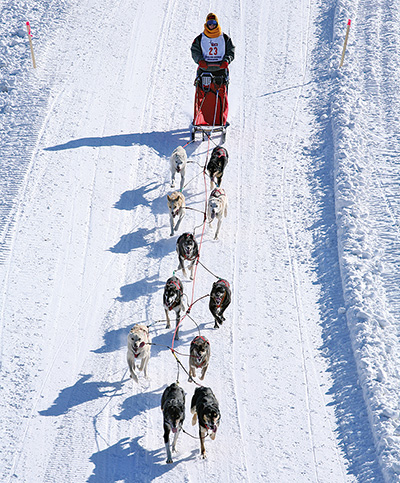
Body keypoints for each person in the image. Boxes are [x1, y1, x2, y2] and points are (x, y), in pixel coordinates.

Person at [191, 13, 235, 77]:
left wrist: (226, 60)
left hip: (220, 69)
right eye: (209, 23)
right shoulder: (200, 38)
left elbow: (231, 50)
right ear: (206, 24)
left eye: (213, 23)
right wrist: (200, 60)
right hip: (204, 69)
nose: (212, 25)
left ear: (217, 23)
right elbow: (195, 50)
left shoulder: (225, 38)